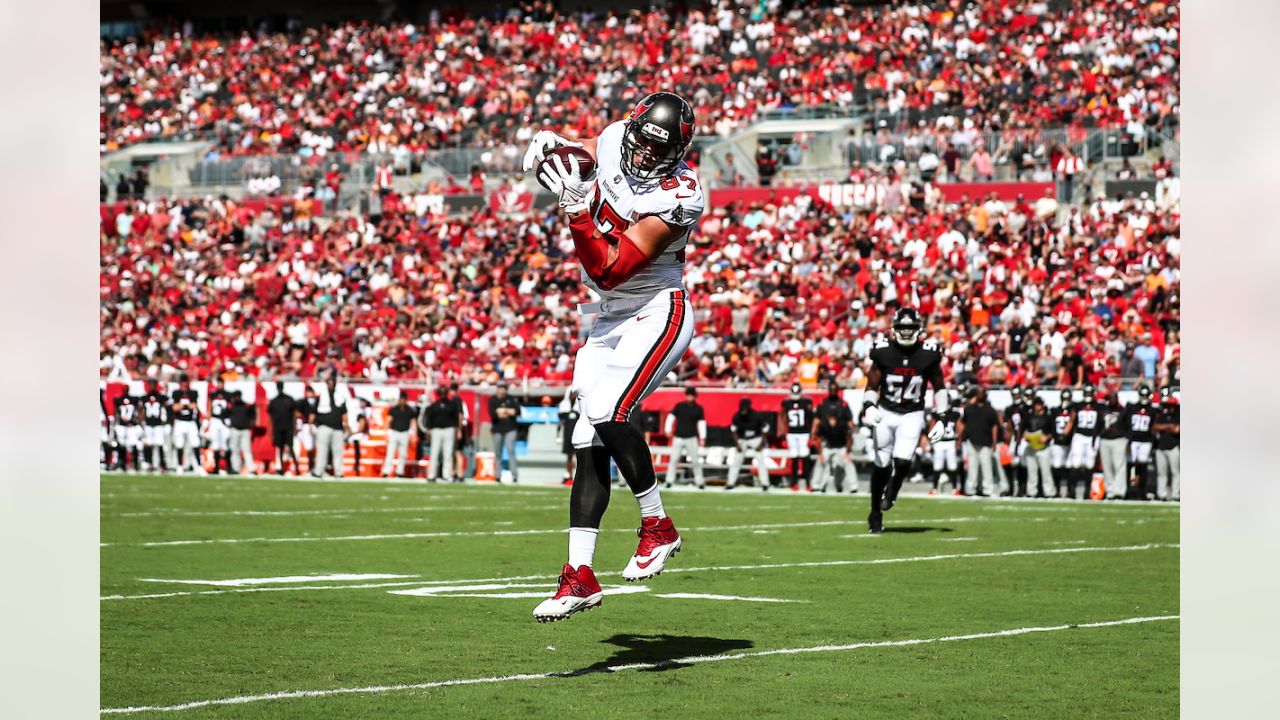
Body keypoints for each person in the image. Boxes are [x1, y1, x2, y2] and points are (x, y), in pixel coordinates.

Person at [524, 91, 702, 621]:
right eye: (640, 143)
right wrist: (551, 149)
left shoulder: (682, 194)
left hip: (656, 306)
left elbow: (609, 268)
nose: (643, 156)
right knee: (586, 438)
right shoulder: (612, 139)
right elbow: (581, 157)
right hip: (609, 316)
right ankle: (579, 574)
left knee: (605, 410)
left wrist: (577, 208)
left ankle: (657, 524)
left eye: (657, 150)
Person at [860, 307, 948, 533]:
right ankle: (875, 512)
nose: (906, 332)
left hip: (912, 413)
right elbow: (872, 385)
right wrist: (869, 405)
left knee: (902, 460)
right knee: (881, 464)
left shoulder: (929, 353)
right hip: (886, 411)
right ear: (894, 328)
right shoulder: (883, 352)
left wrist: (942, 417)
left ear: (918, 329)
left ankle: (893, 491)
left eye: (910, 327)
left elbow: (939, 386)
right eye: (902, 327)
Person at [957, 387, 999, 497]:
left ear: (985, 395)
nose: (980, 395)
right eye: (978, 393)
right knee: (972, 467)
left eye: (982, 393)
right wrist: (960, 439)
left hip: (986, 442)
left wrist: (994, 442)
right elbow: (962, 424)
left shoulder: (990, 410)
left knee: (986, 467)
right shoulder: (969, 409)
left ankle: (988, 489)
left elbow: (994, 427)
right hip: (971, 441)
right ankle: (971, 489)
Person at [663, 387, 707, 489]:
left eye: (691, 395)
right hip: (678, 437)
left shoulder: (698, 408)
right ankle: (669, 481)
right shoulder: (680, 406)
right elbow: (671, 417)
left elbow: (701, 423)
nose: (689, 397)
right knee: (673, 460)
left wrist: (702, 437)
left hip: (692, 437)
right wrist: (667, 428)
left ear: (694, 396)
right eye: (688, 395)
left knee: (695, 461)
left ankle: (699, 482)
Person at [726, 397, 772, 490]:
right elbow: (734, 431)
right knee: (737, 460)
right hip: (743, 439)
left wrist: (761, 443)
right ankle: (730, 482)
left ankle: (765, 483)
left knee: (760, 460)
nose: (744, 410)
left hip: (756, 438)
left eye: (745, 408)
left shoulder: (757, 416)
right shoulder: (737, 416)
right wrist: (737, 444)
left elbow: (765, 429)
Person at [312, 376, 351, 478]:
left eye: (332, 382)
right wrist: (311, 425)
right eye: (328, 382)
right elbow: (313, 413)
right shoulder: (321, 397)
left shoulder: (340, 397)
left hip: (338, 428)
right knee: (322, 451)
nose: (330, 384)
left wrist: (346, 426)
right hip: (323, 427)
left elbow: (344, 413)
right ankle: (318, 471)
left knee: (338, 451)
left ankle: (338, 472)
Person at [1067, 386, 1102, 499]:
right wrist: (1067, 430)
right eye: (1086, 393)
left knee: (1089, 465)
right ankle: (1071, 490)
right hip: (1079, 436)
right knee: (1075, 463)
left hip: (1092, 436)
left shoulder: (1098, 406)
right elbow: (1072, 419)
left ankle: (1087, 490)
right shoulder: (1077, 405)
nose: (1087, 395)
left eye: (1089, 393)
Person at [812, 407, 858, 494]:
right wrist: (821, 453)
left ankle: (853, 486)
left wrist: (847, 453)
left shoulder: (843, 425)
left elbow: (849, 439)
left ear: (837, 418)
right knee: (820, 461)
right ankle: (816, 485)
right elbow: (818, 439)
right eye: (831, 418)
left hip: (841, 447)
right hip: (828, 447)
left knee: (848, 462)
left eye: (834, 418)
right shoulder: (823, 425)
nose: (832, 420)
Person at [780, 382, 816, 492]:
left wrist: (812, 434)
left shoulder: (807, 402)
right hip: (792, 433)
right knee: (794, 459)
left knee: (805, 459)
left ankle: (807, 483)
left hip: (804, 433)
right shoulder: (786, 403)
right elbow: (782, 417)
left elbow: (812, 419)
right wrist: (783, 433)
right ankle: (794, 482)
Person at [1124, 386, 1157, 499]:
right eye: (1142, 395)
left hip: (1145, 441)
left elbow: (1153, 427)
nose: (1144, 398)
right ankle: (1128, 490)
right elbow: (1125, 422)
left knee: (1142, 465)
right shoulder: (1132, 407)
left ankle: (1142, 491)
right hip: (1133, 440)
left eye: (1145, 396)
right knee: (1129, 465)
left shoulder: (1152, 410)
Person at [927, 389, 961, 495]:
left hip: (950, 441)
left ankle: (955, 488)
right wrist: (931, 441)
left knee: (952, 466)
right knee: (937, 466)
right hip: (939, 441)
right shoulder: (936, 413)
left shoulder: (955, 414)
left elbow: (960, 427)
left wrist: (958, 440)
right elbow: (931, 427)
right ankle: (935, 488)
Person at [1022, 395, 1057, 498]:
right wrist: (1026, 436)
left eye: (1039, 404)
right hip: (1031, 447)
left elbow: (1053, 431)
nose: (1038, 407)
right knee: (1032, 472)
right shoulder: (1029, 417)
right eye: (1036, 405)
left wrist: (1047, 437)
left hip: (1044, 447)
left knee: (1046, 471)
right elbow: (1023, 429)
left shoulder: (1048, 417)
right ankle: (1031, 492)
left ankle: (1049, 492)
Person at [422, 388, 459, 483]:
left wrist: (457, 430)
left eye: (444, 393)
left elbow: (456, 419)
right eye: (441, 393)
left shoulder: (452, 405)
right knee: (434, 453)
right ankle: (431, 475)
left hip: (449, 430)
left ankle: (446, 475)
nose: (443, 394)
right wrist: (428, 432)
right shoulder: (433, 406)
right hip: (436, 430)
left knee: (448, 453)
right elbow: (428, 420)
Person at [1097, 389, 1128, 500]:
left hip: (1118, 440)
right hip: (1105, 440)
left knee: (1119, 466)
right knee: (1107, 467)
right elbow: (1098, 425)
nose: (1111, 399)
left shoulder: (1122, 410)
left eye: (1113, 397)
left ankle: (1119, 492)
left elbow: (1127, 426)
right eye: (1110, 397)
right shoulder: (1102, 410)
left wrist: (1127, 441)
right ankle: (1110, 491)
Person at [488, 383, 522, 483]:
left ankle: (514, 475)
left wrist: (504, 411)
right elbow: (493, 414)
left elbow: (517, 412)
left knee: (511, 451)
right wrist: (508, 412)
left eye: (504, 388)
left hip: (510, 428)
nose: (502, 390)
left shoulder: (512, 399)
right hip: (497, 429)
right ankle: (497, 475)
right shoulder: (493, 400)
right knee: (498, 453)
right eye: (500, 388)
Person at [169, 377, 202, 473]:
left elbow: (193, 406)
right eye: (182, 382)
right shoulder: (176, 393)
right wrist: (186, 406)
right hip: (179, 421)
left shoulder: (193, 393)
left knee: (195, 443)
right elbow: (175, 408)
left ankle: (198, 465)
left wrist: (182, 406)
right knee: (179, 444)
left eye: (185, 382)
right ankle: (179, 465)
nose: (184, 384)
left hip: (191, 421)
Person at [1153, 391, 1180, 501]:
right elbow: (1155, 427)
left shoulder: (1178, 415)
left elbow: (1177, 429)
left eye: (1172, 406)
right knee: (1161, 473)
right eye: (1168, 405)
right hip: (1161, 447)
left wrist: (1166, 427)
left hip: (1173, 447)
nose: (1170, 408)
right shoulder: (1162, 415)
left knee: (1175, 472)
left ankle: (1175, 494)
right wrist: (1168, 426)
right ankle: (1161, 494)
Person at [267, 383, 299, 475]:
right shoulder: (274, 401)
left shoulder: (289, 399)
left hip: (288, 427)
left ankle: (296, 467)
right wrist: (271, 430)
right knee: (280, 448)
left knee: (290, 447)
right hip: (278, 427)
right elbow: (270, 416)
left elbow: (295, 413)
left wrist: (295, 425)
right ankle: (281, 468)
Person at [382, 394, 417, 478]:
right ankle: (387, 471)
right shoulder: (394, 409)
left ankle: (400, 472)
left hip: (405, 433)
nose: (402, 401)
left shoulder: (410, 410)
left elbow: (413, 422)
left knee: (403, 454)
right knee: (390, 453)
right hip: (394, 432)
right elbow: (388, 420)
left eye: (403, 399)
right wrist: (386, 432)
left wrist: (414, 434)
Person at [140, 381, 171, 472]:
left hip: (158, 424)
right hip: (148, 424)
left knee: (160, 444)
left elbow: (166, 403)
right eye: (151, 385)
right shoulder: (145, 397)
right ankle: (149, 462)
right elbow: (141, 410)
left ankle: (162, 463)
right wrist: (141, 421)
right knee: (147, 444)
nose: (152, 386)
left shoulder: (160, 397)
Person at [1050, 389, 1076, 497]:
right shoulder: (1055, 410)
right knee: (1056, 466)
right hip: (1057, 442)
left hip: (1070, 441)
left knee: (1070, 467)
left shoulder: (1073, 410)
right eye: (1064, 398)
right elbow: (1051, 425)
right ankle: (1056, 489)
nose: (1066, 400)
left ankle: (1070, 490)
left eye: (1067, 398)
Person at [206, 377, 233, 474]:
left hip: (225, 420)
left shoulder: (228, 395)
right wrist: (208, 420)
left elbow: (230, 407)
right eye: (219, 383)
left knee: (226, 443)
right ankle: (216, 467)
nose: (220, 385)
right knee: (216, 443)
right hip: (215, 420)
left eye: (222, 383)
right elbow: (209, 407)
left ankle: (228, 466)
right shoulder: (213, 394)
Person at [112, 391, 143, 472]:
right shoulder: (119, 401)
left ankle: (135, 465)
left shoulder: (134, 401)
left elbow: (139, 411)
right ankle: (122, 464)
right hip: (122, 426)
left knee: (134, 445)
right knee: (121, 445)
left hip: (131, 426)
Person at [226, 392, 256, 474]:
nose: (237, 398)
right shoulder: (231, 406)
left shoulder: (246, 405)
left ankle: (251, 468)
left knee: (247, 450)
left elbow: (253, 413)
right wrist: (226, 424)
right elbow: (224, 415)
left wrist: (252, 423)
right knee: (235, 450)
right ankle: (236, 468)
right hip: (235, 429)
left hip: (245, 430)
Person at [557, 391, 580, 485]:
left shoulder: (579, 408)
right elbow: (560, 422)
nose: (572, 396)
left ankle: (577, 476)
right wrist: (557, 434)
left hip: (578, 434)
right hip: (567, 434)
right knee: (569, 456)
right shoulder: (564, 407)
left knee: (577, 456)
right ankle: (569, 475)